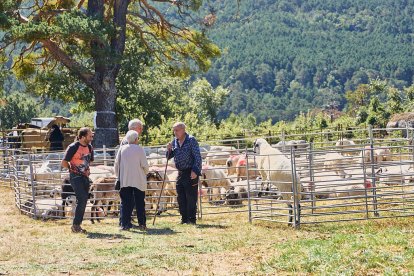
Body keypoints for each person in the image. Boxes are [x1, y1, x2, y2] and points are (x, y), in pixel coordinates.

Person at [166, 122, 202, 225]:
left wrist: (195, 170)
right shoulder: (175, 142)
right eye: (174, 130)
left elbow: (197, 157)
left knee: (191, 197)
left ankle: (191, 219)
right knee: (180, 196)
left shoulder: (191, 140)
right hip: (180, 172)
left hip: (190, 171)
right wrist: (168, 149)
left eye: (177, 130)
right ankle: (184, 218)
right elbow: (169, 157)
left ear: (183, 130)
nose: (175, 132)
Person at [61, 127, 94, 233]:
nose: (91, 138)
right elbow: (64, 162)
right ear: (83, 137)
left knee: (84, 200)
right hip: (75, 176)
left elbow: (90, 161)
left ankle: (77, 225)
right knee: (83, 198)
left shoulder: (89, 147)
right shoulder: (73, 147)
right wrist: (72, 169)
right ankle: (76, 225)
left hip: (85, 176)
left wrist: (86, 169)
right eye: (90, 136)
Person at [115, 130, 149, 231]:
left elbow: (116, 165)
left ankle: (125, 224)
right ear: (135, 139)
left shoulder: (121, 149)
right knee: (139, 203)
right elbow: (145, 165)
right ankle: (142, 224)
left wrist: (119, 176)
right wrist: (146, 172)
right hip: (138, 180)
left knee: (126, 203)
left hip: (125, 180)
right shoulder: (139, 149)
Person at [118, 119, 144, 226]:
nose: (141, 130)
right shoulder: (129, 142)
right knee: (128, 201)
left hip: (126, 176)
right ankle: (124, 221)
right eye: (140, 128)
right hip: (131, 177)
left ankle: (125, 221)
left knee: (128, 200)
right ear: (133, 129)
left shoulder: (126, 141)